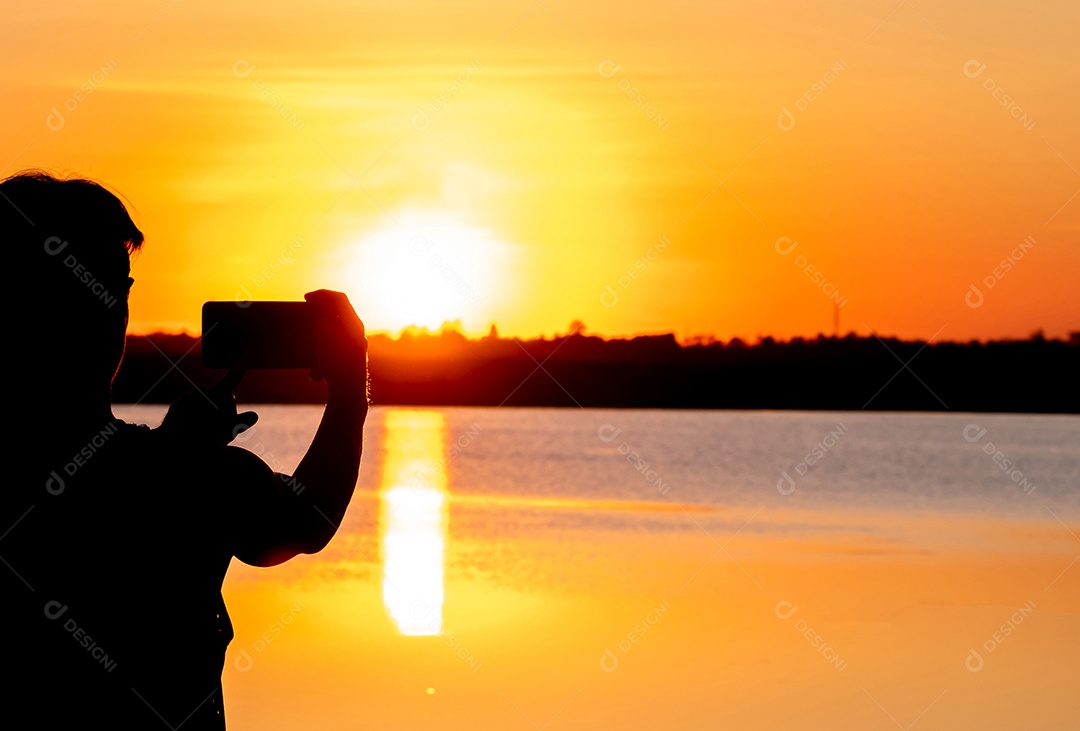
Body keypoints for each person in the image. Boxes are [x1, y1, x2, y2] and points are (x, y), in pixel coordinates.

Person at [1, 171, 369, 728]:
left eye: (118, 287)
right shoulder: (190, 476)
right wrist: (348, 391)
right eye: (93, 286)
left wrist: (175, 451)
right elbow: (306, 518)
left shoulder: (177, 466)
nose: (111, 309)